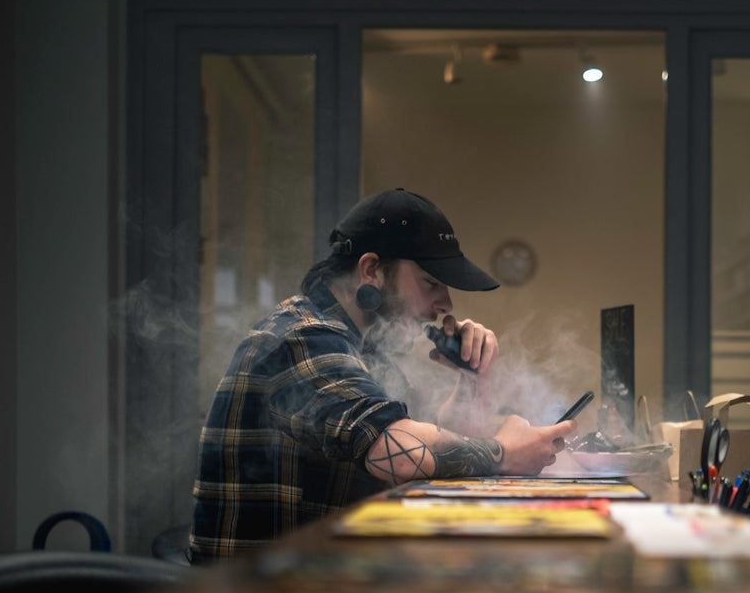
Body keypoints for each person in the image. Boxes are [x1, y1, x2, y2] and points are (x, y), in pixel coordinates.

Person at [189, 188, 576, 563]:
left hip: (314, 582)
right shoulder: (304, 337)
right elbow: (400, 454)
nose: (446, 304)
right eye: (430, 282)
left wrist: (473, 380)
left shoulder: (364, 351)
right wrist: (505, 453)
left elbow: (438, 445)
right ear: (371, 270)